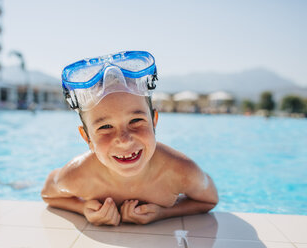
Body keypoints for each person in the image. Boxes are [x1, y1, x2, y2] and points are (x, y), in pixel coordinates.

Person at [41, 51, 218, 226]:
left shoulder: (180, 171)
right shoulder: (78, 175)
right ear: (87, 138)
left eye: (135, 121)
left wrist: (163, 213)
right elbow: (48, 193)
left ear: (154, 122)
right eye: (105, 127)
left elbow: (209, 200)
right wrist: (83, 208)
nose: (124, 140)